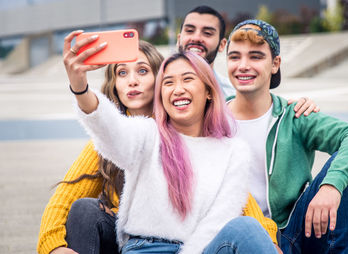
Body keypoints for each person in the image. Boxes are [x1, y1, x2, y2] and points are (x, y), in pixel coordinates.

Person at [63, 30, 279, 254]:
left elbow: (219, 219)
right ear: (161, 95)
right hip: (145, 248)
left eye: (187, 79)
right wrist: (80, 88)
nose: (178, 89)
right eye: (168, 83)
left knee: (246, 228)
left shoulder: (233, 152)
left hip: (200, 248)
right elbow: (111, 130)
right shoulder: (148, 134)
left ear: (208, 91)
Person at [225, 19, 348, 253]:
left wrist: (331, 187)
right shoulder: (212, 119)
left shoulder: (293, 115)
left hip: (293, 231)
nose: (243, 65)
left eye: (256, 56)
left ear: (275, 64)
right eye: (235, 57)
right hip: (240, 236)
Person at [37, 40, 164, 254]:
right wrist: (54, 247)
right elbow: (65, 197)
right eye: (122, 73)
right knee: (85, 209)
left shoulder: (180, 128)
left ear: (160, 78)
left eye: (142, 71)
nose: (132, 81)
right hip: (121, 242)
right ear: (114, 83)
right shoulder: (105, 139)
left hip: (166, 242)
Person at [178, 5, 320, 119]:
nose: (196, 38)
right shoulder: (158, 86)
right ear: (179, 38)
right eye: (190, 30)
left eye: (207, 33)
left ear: (222, 45)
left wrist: (301, 109)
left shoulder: (233, 92)